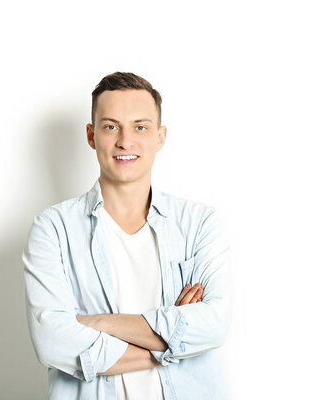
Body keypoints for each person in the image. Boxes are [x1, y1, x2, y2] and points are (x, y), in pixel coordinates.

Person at [22, 72, 234, 399]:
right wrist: (174, 342)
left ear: (160, 137)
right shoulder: (53, 229)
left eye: (140, 126)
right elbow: (52, 342)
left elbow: (214, 324)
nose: (125, 141)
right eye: (110, 126)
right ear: (91, 136)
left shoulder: (198, 224)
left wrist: (100, 323)